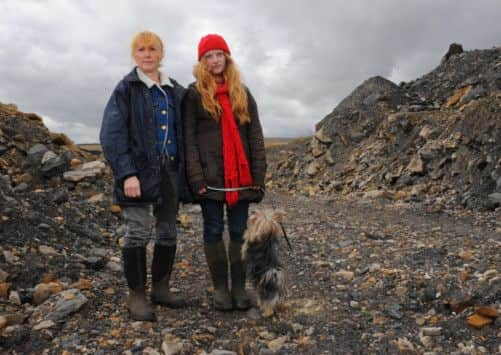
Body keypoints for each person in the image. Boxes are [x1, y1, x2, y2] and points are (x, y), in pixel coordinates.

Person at [100, 31, 190, 321]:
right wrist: (127, 174)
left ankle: (161, 289)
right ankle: (136, 296)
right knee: (137, 230)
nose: (147, 54)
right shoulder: (125, 89)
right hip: (137, 173)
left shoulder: (175, 90)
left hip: (170, 171)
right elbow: (112, 134)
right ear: (134, 55)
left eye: (153, 49)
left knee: (168, 230)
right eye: (141, 49)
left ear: (161, 53)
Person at [183, 34, 267, 311]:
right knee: (213, 229)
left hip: (241, 179)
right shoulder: (194, 94)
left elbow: (255, 135)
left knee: (240, 230)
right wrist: (196, 177)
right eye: (209, 56)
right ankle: (220, 288)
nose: (215, 60)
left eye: (219, 54)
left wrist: (258, 176)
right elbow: (189, 140)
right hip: (210, 178)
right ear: (202, 61)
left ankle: (239, 288)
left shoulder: (242, 92)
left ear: (227, 58)